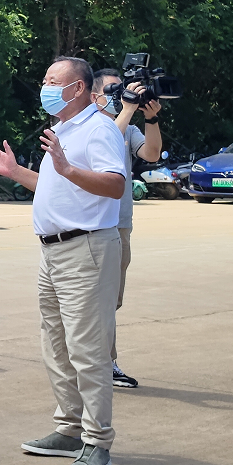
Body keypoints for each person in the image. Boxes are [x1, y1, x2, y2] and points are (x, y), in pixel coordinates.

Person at [0, 56, 126, 465]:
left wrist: (67, 167)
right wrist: (14, 171)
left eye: (52, 81)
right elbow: (55, 185)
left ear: (78, 88)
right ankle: (70, 430)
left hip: (86, 250)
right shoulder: (63, 130)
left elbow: (116, 185)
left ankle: (98, 441)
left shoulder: (98, 128)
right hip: (53, 252)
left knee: (88, 349)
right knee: (57, 345)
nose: (45, 86)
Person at [92, 68, 163, 389]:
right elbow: (106, 141)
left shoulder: (128, 126)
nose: (121, 95)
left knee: (111, 301)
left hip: (120, 225)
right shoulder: (88, 126)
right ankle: (101, 363)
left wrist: (151, 119)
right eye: (113, 90)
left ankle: (103, 362)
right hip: (92, 226)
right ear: (94, 96)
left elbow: (152, 153)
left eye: (122, 89)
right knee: (94, 300)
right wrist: (128, 108)